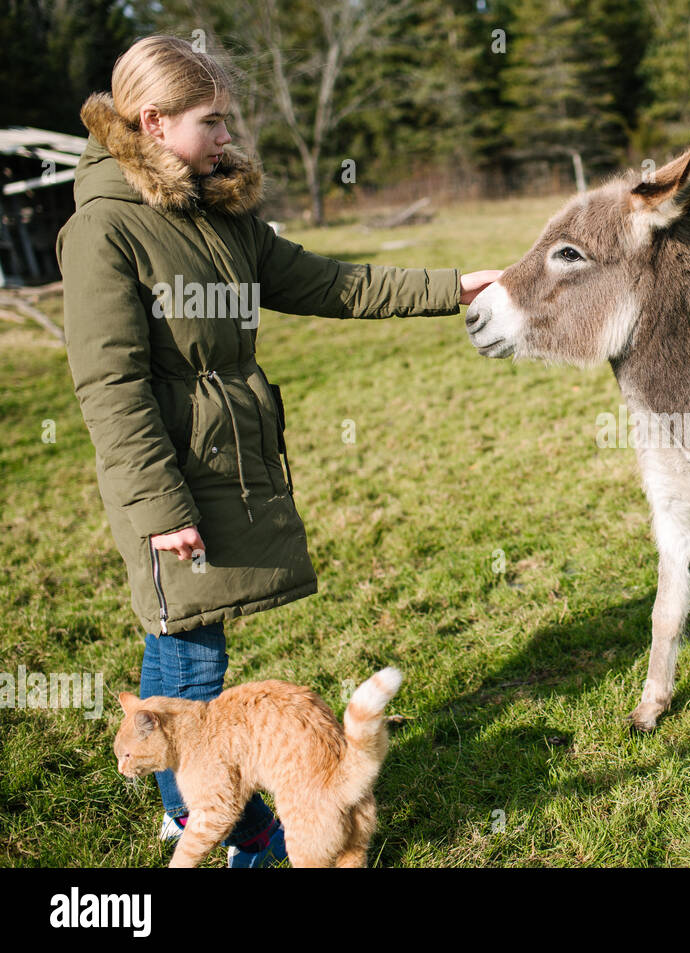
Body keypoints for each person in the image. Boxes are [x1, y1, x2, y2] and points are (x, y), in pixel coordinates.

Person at [56, 34, 501, 866]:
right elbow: (109, 386)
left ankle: (193, 813)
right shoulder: (104, 232)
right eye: (211, 121)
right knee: (189, 650)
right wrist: (159, 509)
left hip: (232, 464)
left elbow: (332, 283)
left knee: (184, 634)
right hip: (171, 479)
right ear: (153, 122)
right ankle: (238, 830)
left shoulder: (221, 217)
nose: (228, 138)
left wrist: (454, 286)